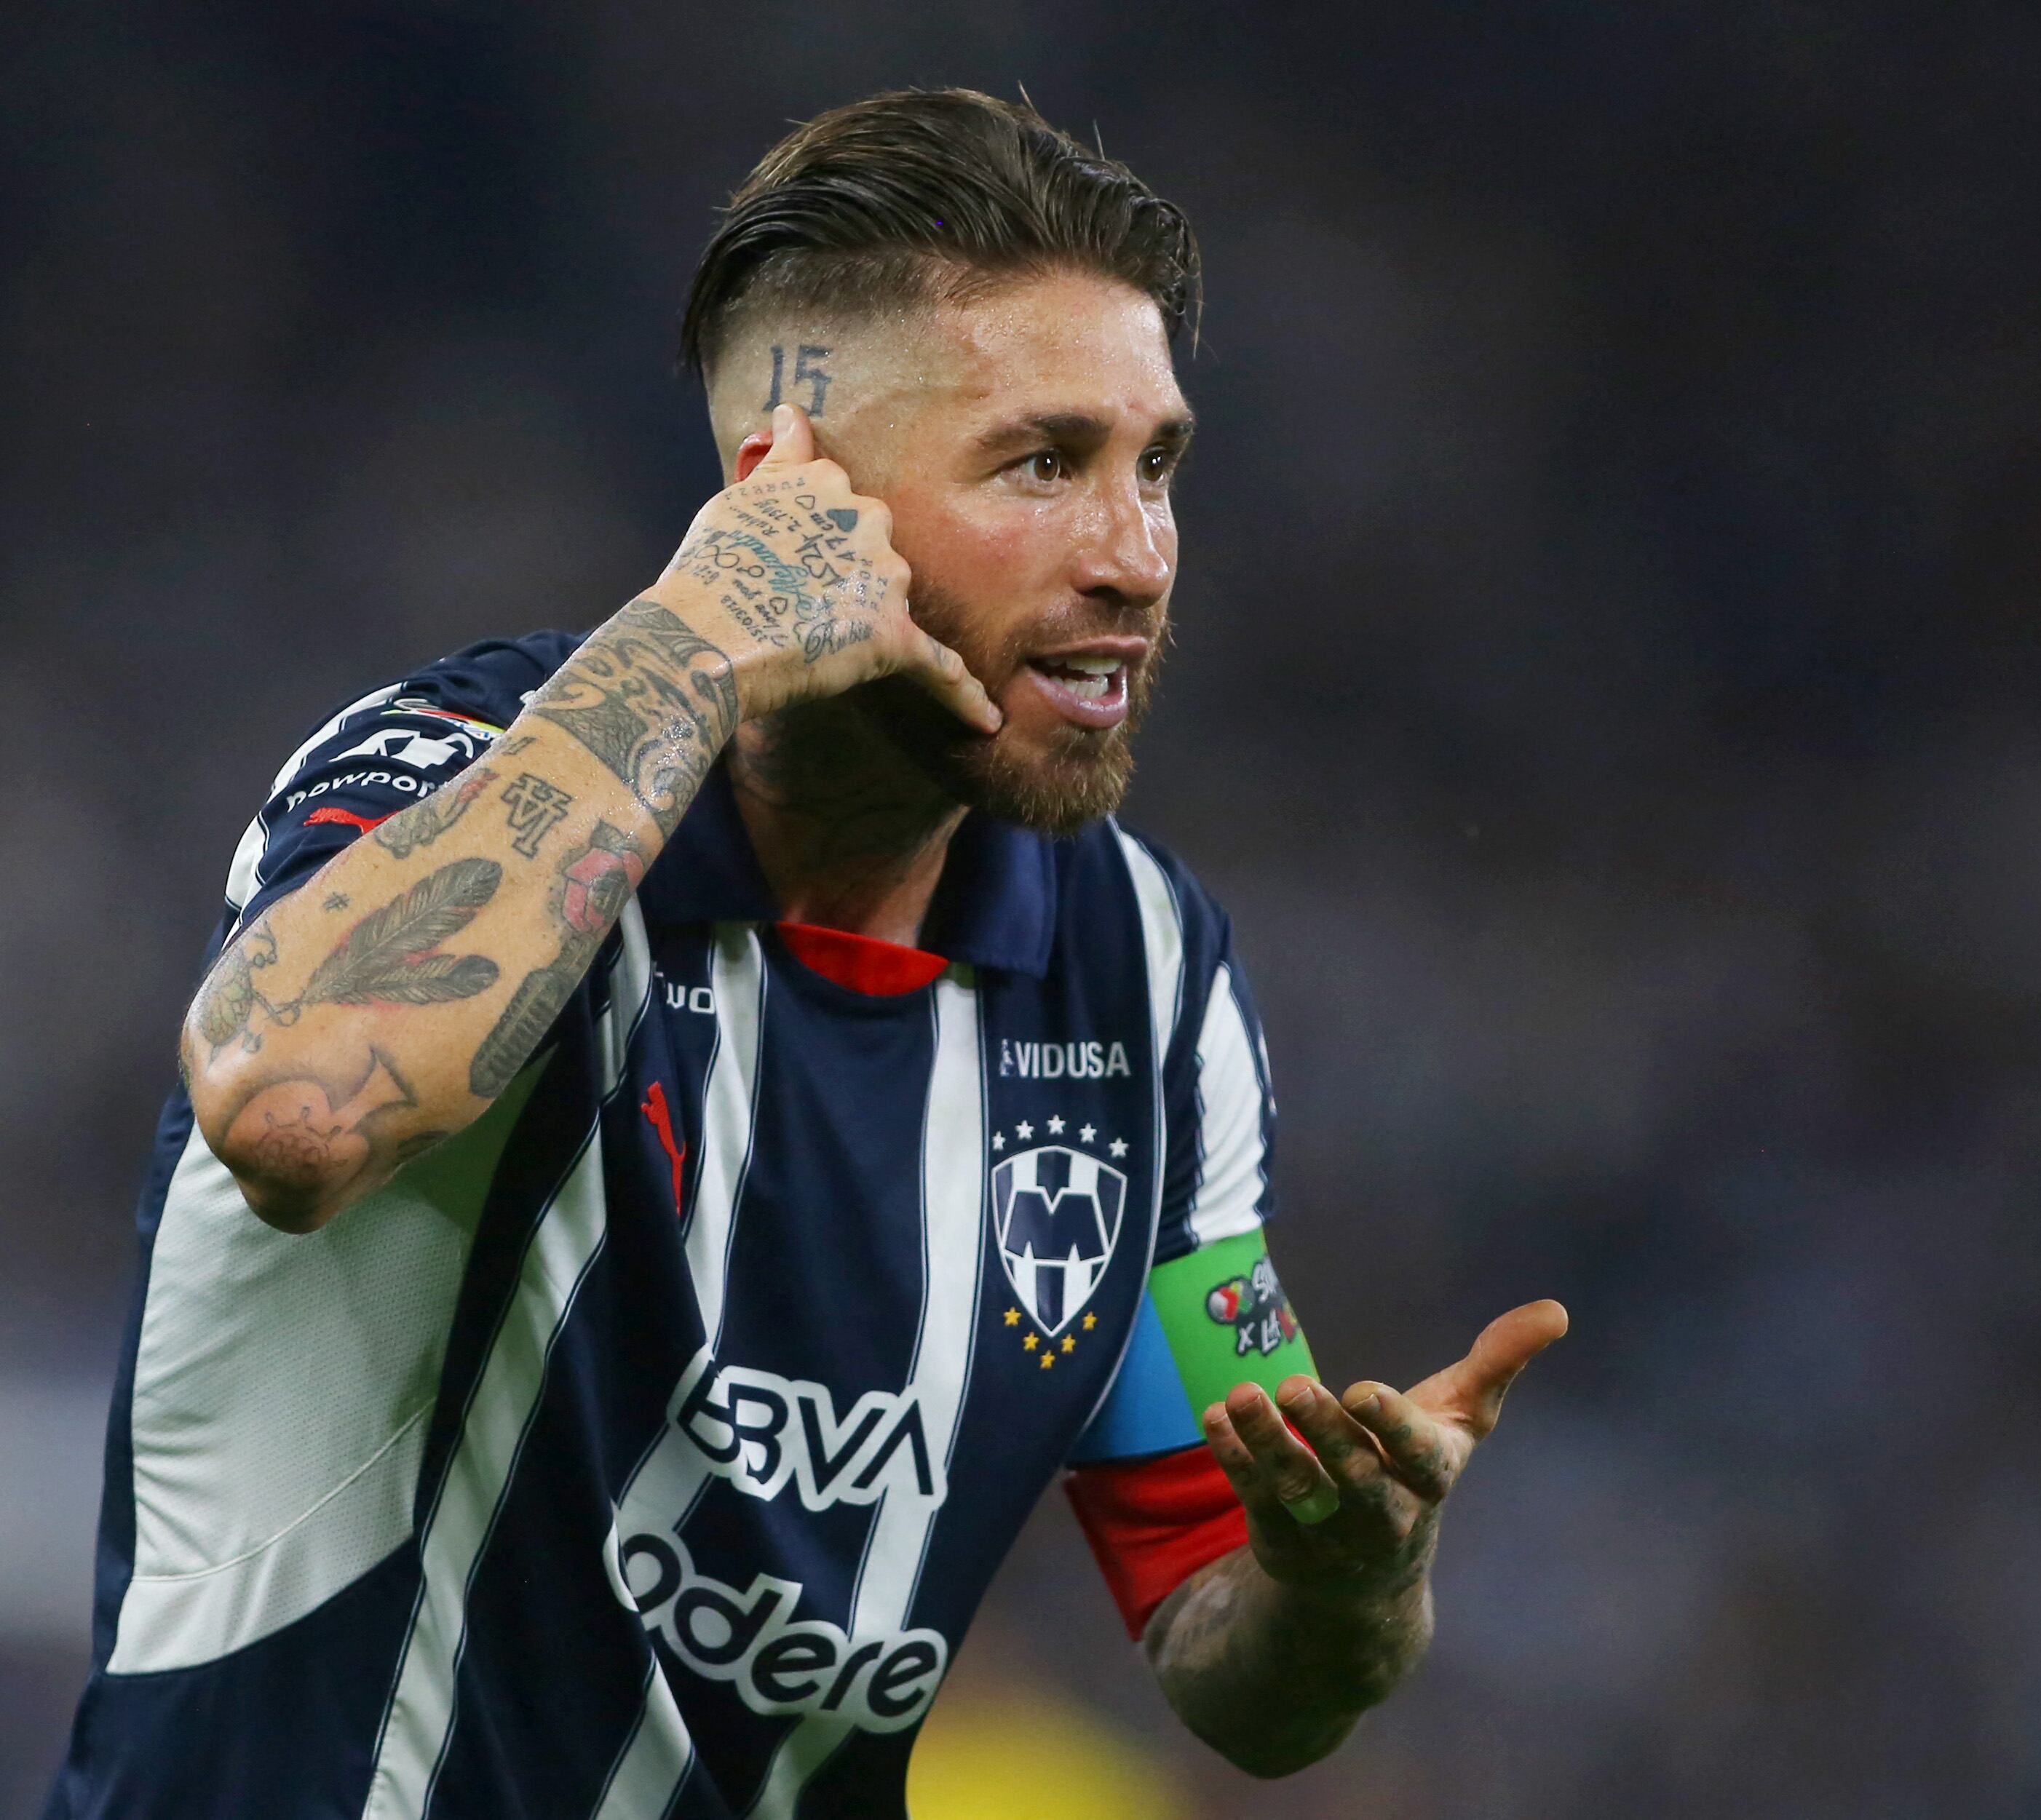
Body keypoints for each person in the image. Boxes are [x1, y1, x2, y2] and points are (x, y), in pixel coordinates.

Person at [47, 87, 1566, 1819]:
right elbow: (296, 1110)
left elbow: (1239, 1660)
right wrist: (701, 628)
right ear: (793, 485)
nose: (1136, 554)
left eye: (1158, 466)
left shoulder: (1143, 974)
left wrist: (1344, 1581)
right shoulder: (466, 779)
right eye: (1043, 462)